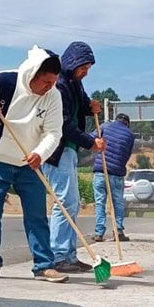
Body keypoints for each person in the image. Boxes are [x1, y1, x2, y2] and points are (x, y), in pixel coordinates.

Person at [0, 47, 69, 283]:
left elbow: (53, 133)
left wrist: (40, 154)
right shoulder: (4, 81)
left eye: (53, 82)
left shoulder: (53, 96)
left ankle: (44, 265)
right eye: (45, 81)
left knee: (36, 215)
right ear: (32, 73)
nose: (49, 87)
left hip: (29, 162)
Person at [41, 41, 104, 273]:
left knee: (72, 203)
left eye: (88, 68)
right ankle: (59, 255)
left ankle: (69, 253)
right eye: (83, 68)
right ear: (72, 63)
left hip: (69, 150)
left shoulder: (74, 83)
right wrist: (90, 141)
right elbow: (64, 123)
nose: (85, 73)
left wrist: (90, 107)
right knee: (64, 202)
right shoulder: (59, 86)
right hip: (58, 150)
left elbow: (80, 108)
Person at [92, 113, 135, 242]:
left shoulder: (104, 126)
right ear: (127, 123)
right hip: (117, 173)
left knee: (100, 202)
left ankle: (99, 233)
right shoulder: (130, 135)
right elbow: (127, 154)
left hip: (100, 171)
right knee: (118, 203)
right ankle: (119, 231)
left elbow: (91, 140)